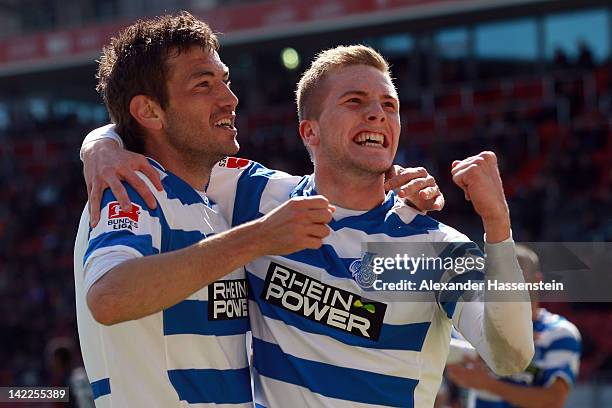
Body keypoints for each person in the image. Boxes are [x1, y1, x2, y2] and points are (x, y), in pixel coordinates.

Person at [81, 44, 534, 407]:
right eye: (354, 101)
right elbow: (167, 138)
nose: (377, 113)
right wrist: (101, 144)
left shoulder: (436, 248)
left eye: (389, 105)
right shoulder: (254, 197)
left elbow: (510, 356)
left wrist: (497, 225)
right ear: (309, 133)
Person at [73, 13, 355, 407]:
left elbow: (335, 189)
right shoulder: (132, 188)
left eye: (225, 80)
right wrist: (256, 239)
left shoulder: (214, 194)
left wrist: (390, 177)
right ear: (150, 112)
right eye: (204, 85)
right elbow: (109, 297)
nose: (229, 98)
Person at [446, 245, 581, 408]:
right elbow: (452, 366)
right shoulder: (473, 323)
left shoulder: (559, 333)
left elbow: (554, 399)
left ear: (537, 282)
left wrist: (488, 384)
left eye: (516, 278)